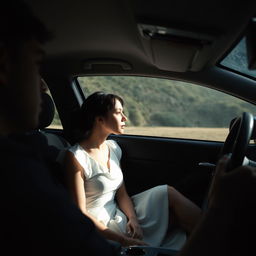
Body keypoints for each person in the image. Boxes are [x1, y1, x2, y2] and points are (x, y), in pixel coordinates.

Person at [0, 1, 118, 255]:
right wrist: (218, 209)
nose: (43, 85)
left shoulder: (27, 157)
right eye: (35, 64)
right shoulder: (19, 177)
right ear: (5, 65)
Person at [64, 91, 202, 249]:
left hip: (119, 212)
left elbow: (122, 193)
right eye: (118, 112)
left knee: (166, 192)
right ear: (99, 119)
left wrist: (133, 219)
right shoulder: (75, 157)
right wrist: (123, 240)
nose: (124, 118)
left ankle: (215, 237)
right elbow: (80, 213)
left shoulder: (113, 148)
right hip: (99, 225)